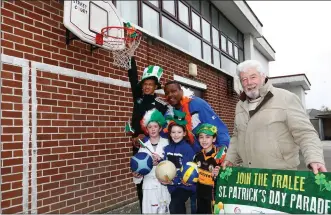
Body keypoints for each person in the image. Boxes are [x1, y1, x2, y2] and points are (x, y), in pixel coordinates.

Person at [222, 59, 327, 173]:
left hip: (280, 175)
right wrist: (230, 159)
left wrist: (314, 158)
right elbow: (237, 136)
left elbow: (305, 133)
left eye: (253, 77)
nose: (249, 82)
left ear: (263, 77)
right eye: (244, 79)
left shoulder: (286, 98)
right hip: (250, 175)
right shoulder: (240, 105)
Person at [128, 57, 168, 211]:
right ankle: (144, 209)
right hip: (137, 146)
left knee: (156, 177)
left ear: (155, 86)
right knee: (139, 177)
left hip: (153, 146)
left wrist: (145, 136)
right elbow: (132, 77)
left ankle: (161, 209)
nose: (147, 87)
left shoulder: (161, 105)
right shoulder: (137, 98)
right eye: (145, 84)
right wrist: (130, 54)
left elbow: (164, 127)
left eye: (150, 85)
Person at [164, 81, 230, 153]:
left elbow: (217, 126)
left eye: (173, 91)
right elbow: (165, 133)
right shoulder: (169, 113)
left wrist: (223, 145)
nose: (170, 95)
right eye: (167, 93)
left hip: (208, 153)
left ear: (181, 91)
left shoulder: (197, 104)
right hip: (186, 155)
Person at [132, 109, 171, 214]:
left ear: (160, 128)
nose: (153, 129)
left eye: (155, 126)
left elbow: (172, 165)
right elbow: (138, 169)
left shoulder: (167, 144)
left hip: (165, 186)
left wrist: (161, 161)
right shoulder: (143, 148)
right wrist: (136, 176)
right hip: (149, 187)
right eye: (150, 127)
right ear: (146, 130)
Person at [160, 110, 196, 214]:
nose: (176, 135)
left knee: (175, 205)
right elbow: (165, 166)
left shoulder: (187, 149)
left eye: (179, 132)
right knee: (176, 207)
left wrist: (173, 181)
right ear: (169, 133)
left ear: (184, 133)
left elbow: (186, 172)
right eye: (173, 132)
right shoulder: (167, 148)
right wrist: (158, 162)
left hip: (185, 185)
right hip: (172, 185)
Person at [193, 123, 222, 214]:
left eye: (208, 137)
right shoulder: (197, 156)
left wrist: (220, 173)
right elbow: (192, 175)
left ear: (214, 138)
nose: (204, 140)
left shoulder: (220, 156)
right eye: (201, 137)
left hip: (214, 197)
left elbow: (227, 176)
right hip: (200, 195)